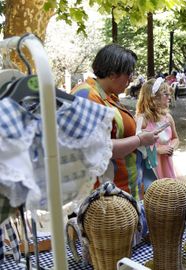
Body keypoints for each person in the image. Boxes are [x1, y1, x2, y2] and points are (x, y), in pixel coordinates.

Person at [72, 44, 162, 199]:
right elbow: (97, 148)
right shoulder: (87, 95)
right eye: (128, 74)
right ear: (113, 74)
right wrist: (140, 140)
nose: (131, 79)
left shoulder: (107, 95)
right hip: (106, 195)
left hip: (120, 189)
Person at [136, 78, 179, 188]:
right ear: (153, 97)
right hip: (150, 168)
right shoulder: (141, 120)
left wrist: (171, 147)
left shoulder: (168, 118)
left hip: (166, 164)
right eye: (165, 94)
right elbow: (135, 147)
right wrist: (158, 150)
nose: (169, 98)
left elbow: (175, 138)